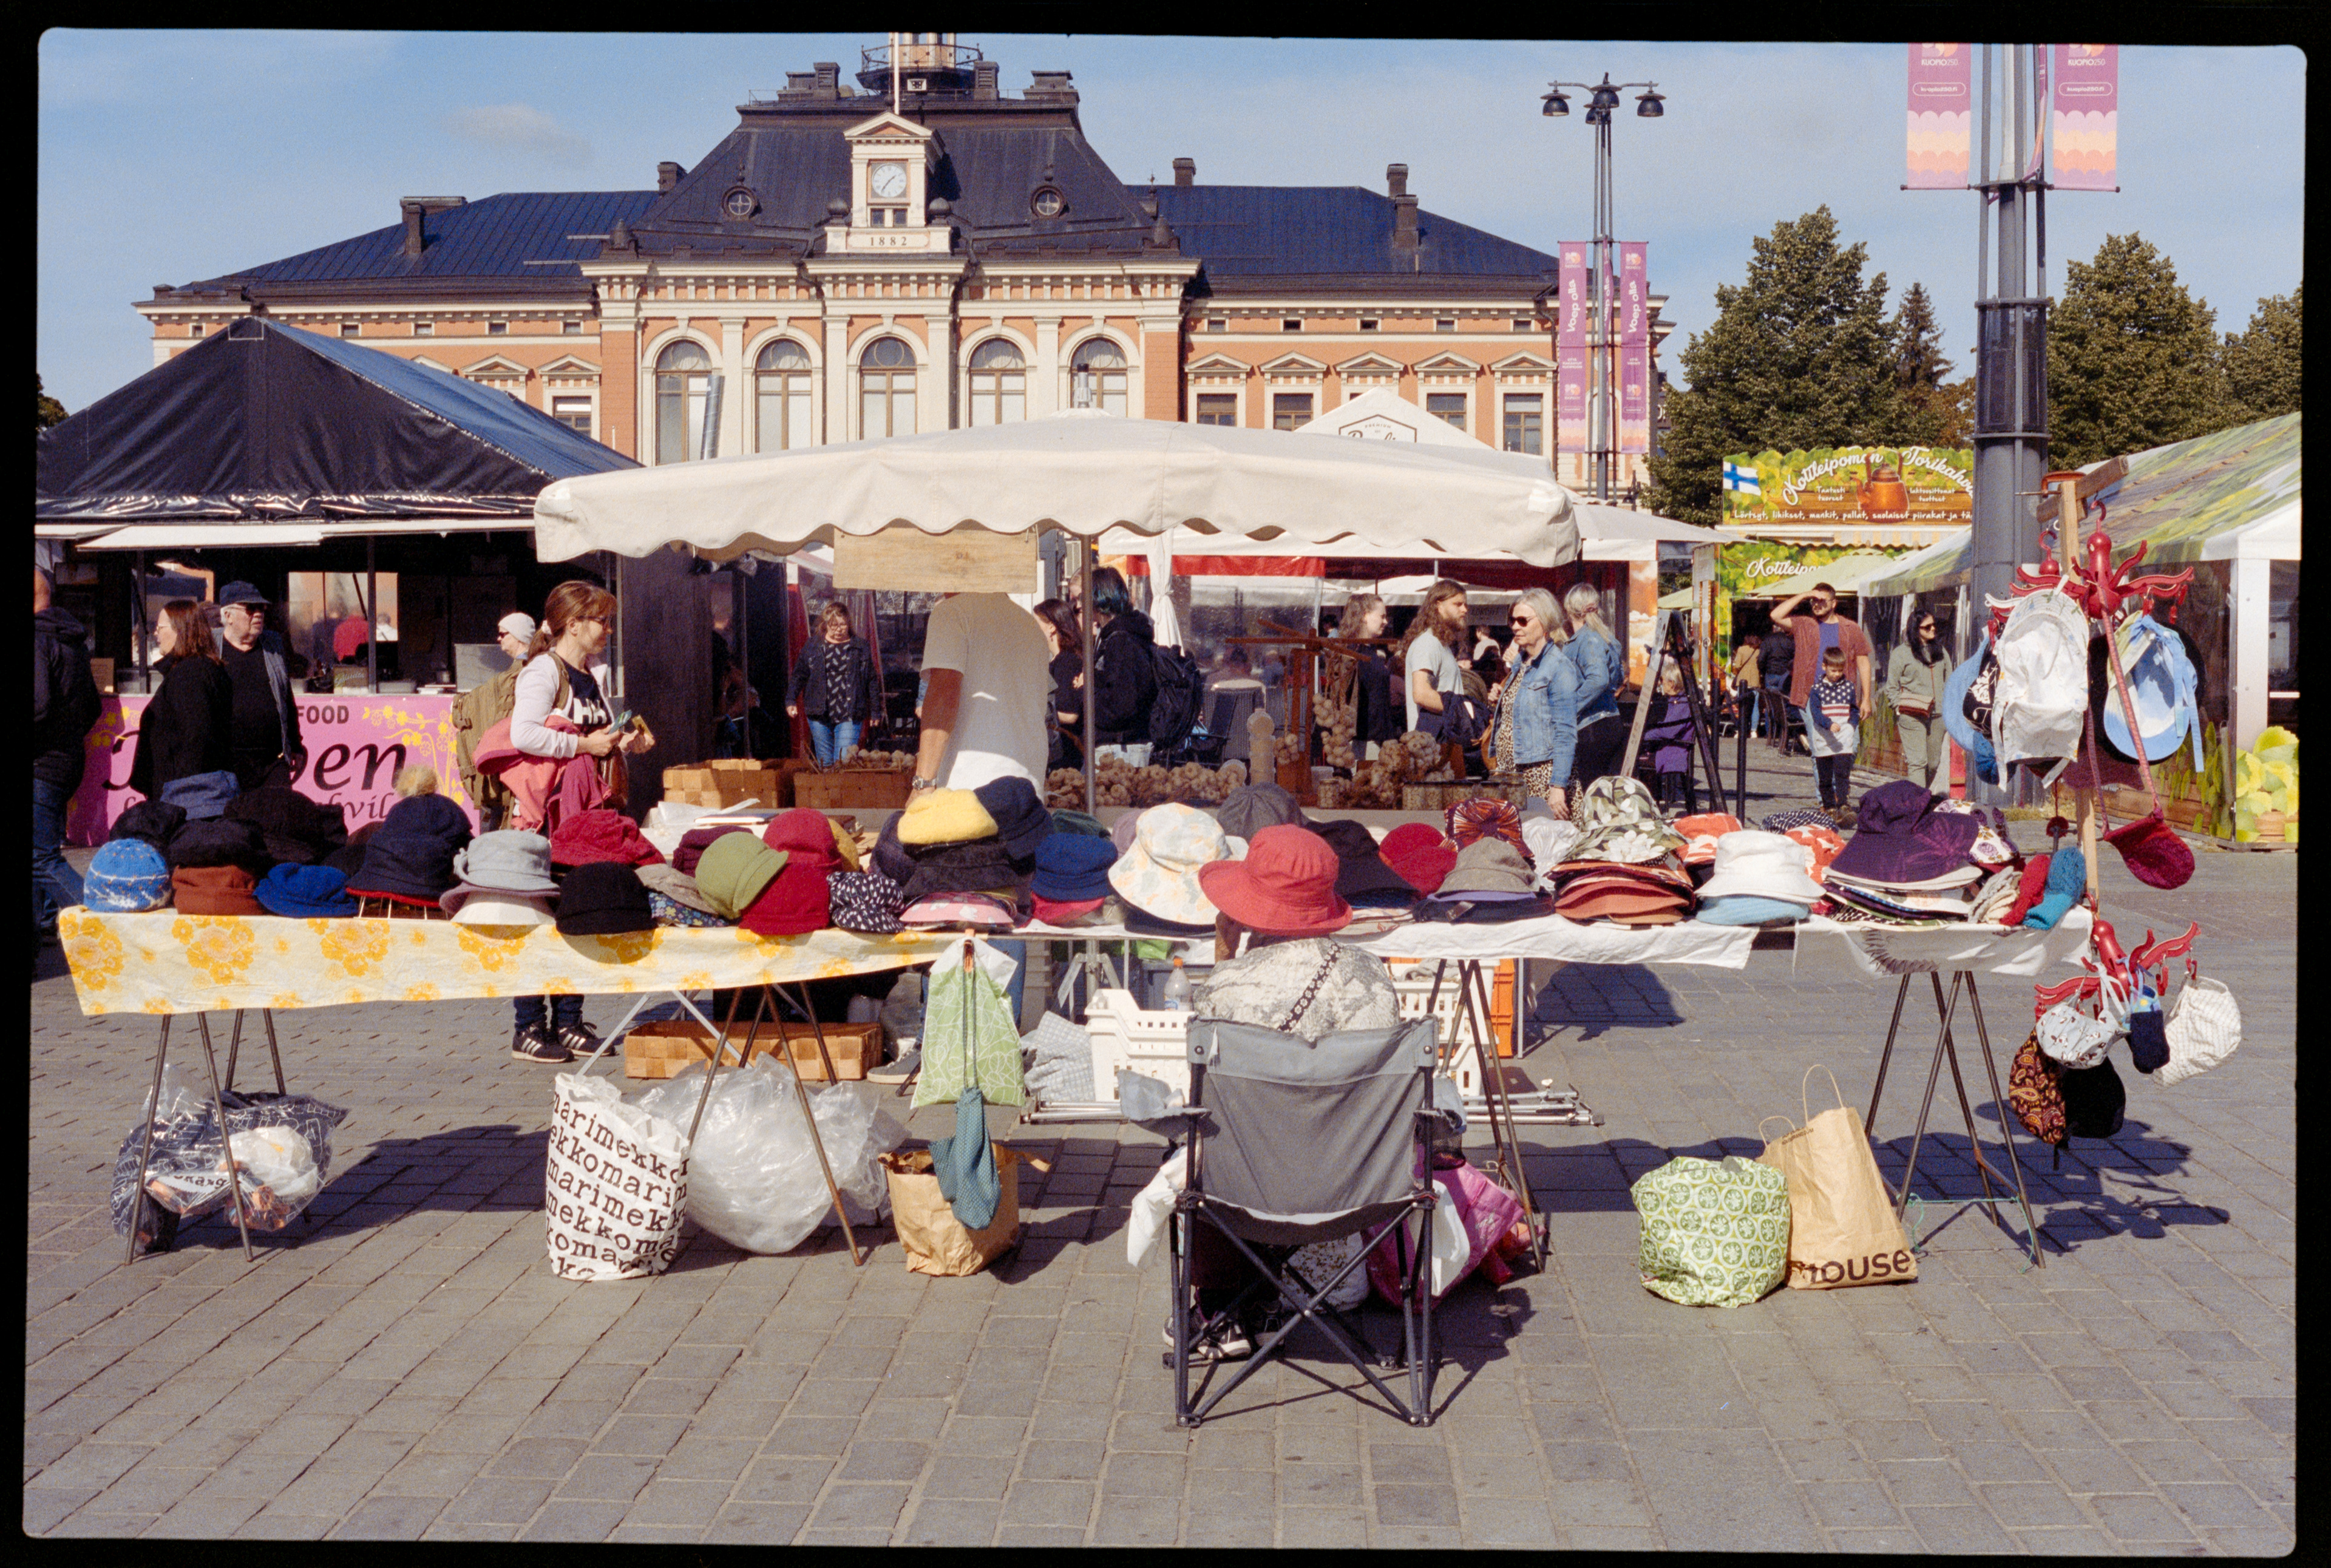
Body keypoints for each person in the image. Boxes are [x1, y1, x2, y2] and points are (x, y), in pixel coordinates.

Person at [507, 580, 651, 1064]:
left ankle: (567, 1019)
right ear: (574, 623)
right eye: (602, 620)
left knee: (578, 909)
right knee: (538, 916)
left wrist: (617, 741)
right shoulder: (544, 672)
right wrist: (584, 746)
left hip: (584, 816)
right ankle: (528, 1025)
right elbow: (522, 734)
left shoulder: (590, 673)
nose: (608, 629)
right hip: (544, 817)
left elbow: (593, 736)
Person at [911, 591, 1050, 793]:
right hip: (1028, 785)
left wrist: (923, 783)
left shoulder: (952, 612)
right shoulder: (1029, 623)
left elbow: (943, 695)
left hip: (971, 789)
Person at [33, 568, 103, 937]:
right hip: (66, 761)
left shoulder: (38, 637)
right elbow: (91, 706)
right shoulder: (70, 638)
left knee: (41, 857)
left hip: (42, 763)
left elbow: (37, 705)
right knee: (39, 850)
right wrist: (68, 735)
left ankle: (104, 918)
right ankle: (45, 923)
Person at [126, 600, 236, 812]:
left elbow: (195, 738)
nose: (155, 634)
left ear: (180, 630)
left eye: (160, 628)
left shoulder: (190, 674)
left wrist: (182, 799)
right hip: (192, 795)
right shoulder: (201, 669)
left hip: (184, 799)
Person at [1770, 580, 1874, 783]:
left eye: (1822, 601)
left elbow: (1864, 663)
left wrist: (1866, 699)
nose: (1816, 605)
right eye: (1813, 601)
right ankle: (1827, 801)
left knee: (1850, 746)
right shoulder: (1804, 625)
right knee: (1820, 749)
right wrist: (1804, 594)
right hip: (1811, 696)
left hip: (1843, 696)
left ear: (1834, 603)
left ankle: (1837, 791)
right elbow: (1776, 616)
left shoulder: (1850, 628)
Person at [1487, 587, 1577, 818]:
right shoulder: (1521, 664)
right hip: (1513, 777)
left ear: (1545, 622)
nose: (1515, 626)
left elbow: (1566, 732)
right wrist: (1499, 699)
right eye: (1512, 620)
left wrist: (1558, 787)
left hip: (1542, 779)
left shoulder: (1558, 666)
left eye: (1523, 620)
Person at [213, 582, 306, 792]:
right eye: (250, 608)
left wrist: (296, 744)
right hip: (227, 763)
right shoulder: (210, 648)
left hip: (272, 761)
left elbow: (286, 697)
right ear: (228, 616)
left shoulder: (273, 645)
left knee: (278, 819)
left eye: (261, 608)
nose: (258, 614)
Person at [785, 599, 880, 766]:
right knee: (826, 764)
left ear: (849, 624)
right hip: (819, 714)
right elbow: (799, 674)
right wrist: (791, 700)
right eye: (833, 625)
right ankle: (828, 793)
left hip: (850, 713)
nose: (838, 629)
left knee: (843, 763)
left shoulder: (860, 646)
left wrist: (875, 711)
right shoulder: (813, 645)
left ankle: (842, 791)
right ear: (825, 624)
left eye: (842, 625)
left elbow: (871, 680)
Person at [1088, 567, 1159, 765]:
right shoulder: (1120, 635)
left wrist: (1087, 698)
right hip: (1122, 745)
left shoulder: (1120, 641)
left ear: (1098, 600)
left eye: (1082, 598)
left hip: (1122, 748)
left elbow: (1123, 704)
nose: (1079, 606)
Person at [1559, 583, 1627, 787]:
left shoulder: (1587, 639)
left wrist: (1570, 707)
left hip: (1592, 729)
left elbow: (1599, 679)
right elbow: (1617, 678)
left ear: (1569, 610)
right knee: (1608, 795)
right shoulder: (1608, 638)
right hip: (1611, 722)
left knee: (1593, 796)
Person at [1328, 592, 1399, 759]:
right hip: (1362, 745)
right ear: (1365, 616)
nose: (1386, 622)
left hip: (1378, 742)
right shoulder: (1351, 653)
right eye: (1382, 616)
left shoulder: (1369, 650)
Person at [1888, 611, 1952, 794]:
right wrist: (1898, 706)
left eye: (1934, 625)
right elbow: (1891, 687)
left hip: (1938, 715)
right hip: (1911, 715)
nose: (1933, 629)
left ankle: (1920, 795)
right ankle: (1917, 806)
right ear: (1915, 630)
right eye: (1927, 627)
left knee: (1933, 764)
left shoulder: (1940, 651)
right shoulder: (1901, 654)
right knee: (1918, 762)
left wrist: (1949, 705)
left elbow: (1950, 679)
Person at [1398, 579, 1470, 737]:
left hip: (1442, 744)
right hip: (1432, 746)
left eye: (1465, 605)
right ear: (1439, 605)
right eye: (1458, 604)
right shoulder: (1428, 643)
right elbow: (1422, 694)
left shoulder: (1439, 643)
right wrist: (1466, 711)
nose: (1465, 610)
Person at [1804, 645, 1861, 823]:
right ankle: (1829, 806)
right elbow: (1815, 712)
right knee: (1825, 775)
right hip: (1824, 736)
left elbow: (1854, 708)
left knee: (1843, 773)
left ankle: (1843, 803)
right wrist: (1828, 724)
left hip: (1843, 735)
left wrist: (1852, 724)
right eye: (1833, 670)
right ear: (1824, 667)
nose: (1837, 674)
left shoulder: (1849, 687)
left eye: (1840, 670)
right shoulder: (1817, 689)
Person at [1031, 597, 1085, 772]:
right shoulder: (1057, 661)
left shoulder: (1067, 661)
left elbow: (1070, 714)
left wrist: (1033, 712)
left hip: (1068, 759)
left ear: (1052, 627)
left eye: (1036, 623)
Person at [1641, 657, 1700, 814]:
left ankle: (1648, 805)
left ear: (1672, 683)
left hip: (1674, 749)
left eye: (1663, 680)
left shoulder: (1681, 703)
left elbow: (1668, 731)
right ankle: (1650, 804)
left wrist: (1645, 734)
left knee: (1636, 758)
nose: (1661, 683)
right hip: (1668, 744)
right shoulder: (1675, 700)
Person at [1759, 620, 1797, 753]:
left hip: (1771, 673)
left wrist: (1763, 671)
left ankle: (1771, 733)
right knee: (1784, 703)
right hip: (1786, 674)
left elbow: (1761, 658)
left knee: (1771, 705)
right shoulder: (1791, 641)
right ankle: (1784, 733)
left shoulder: (1768, 640)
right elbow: (1795, 657)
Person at [1726, 633, 1762, 739]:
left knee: (1742, 706)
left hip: (1743, 681)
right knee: (1755, 706)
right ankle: (1754, 731)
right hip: (1755, 681)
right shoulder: (1759, 651)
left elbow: (1737, 666)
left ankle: (1741, 729)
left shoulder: (1741, 650)